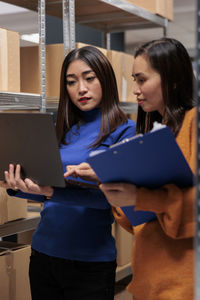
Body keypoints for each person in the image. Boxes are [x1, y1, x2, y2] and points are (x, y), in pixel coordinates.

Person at [1, 45, 136, 300]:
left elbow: (110, 198)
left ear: (104, 79)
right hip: (43, 254)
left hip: (90, 262)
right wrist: (19, 185)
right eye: (71, 82)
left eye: (89, 78)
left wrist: (51, 191)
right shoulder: (59, 128)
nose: (80, 89)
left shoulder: (124, 131)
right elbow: (45, 188)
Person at [99, 38, 197, 300]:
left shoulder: (193, 124)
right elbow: (141, 225)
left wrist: (140, 197)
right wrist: (117, 191)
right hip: (148, 282)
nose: (135, 90)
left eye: (142, 80)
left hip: (182, 286)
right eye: (134, 80)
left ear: (173, 79)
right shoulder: (155, 133)